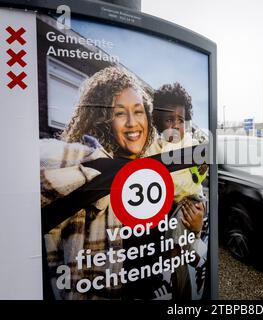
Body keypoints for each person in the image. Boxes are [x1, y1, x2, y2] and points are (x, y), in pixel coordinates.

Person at [41, 67, 204, 300]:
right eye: (119, 113)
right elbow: (47, 163)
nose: (132, 122)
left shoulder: (152, 164)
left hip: (156, 287)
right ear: (102, 118)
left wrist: (195, 229)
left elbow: (175, 213)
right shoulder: (88, 161)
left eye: (139, 112)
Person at [152, 83, 208, 299]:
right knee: (173, 240)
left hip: (190, 200)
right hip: (174, 204)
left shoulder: (190, 143)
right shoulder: (158, 145)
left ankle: (174, 276)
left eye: (180, 120)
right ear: (159, 122)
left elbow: (198, 175)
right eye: (169, 120)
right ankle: (196, 262)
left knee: (175, 233)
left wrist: (202, 168)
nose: (175, 125)